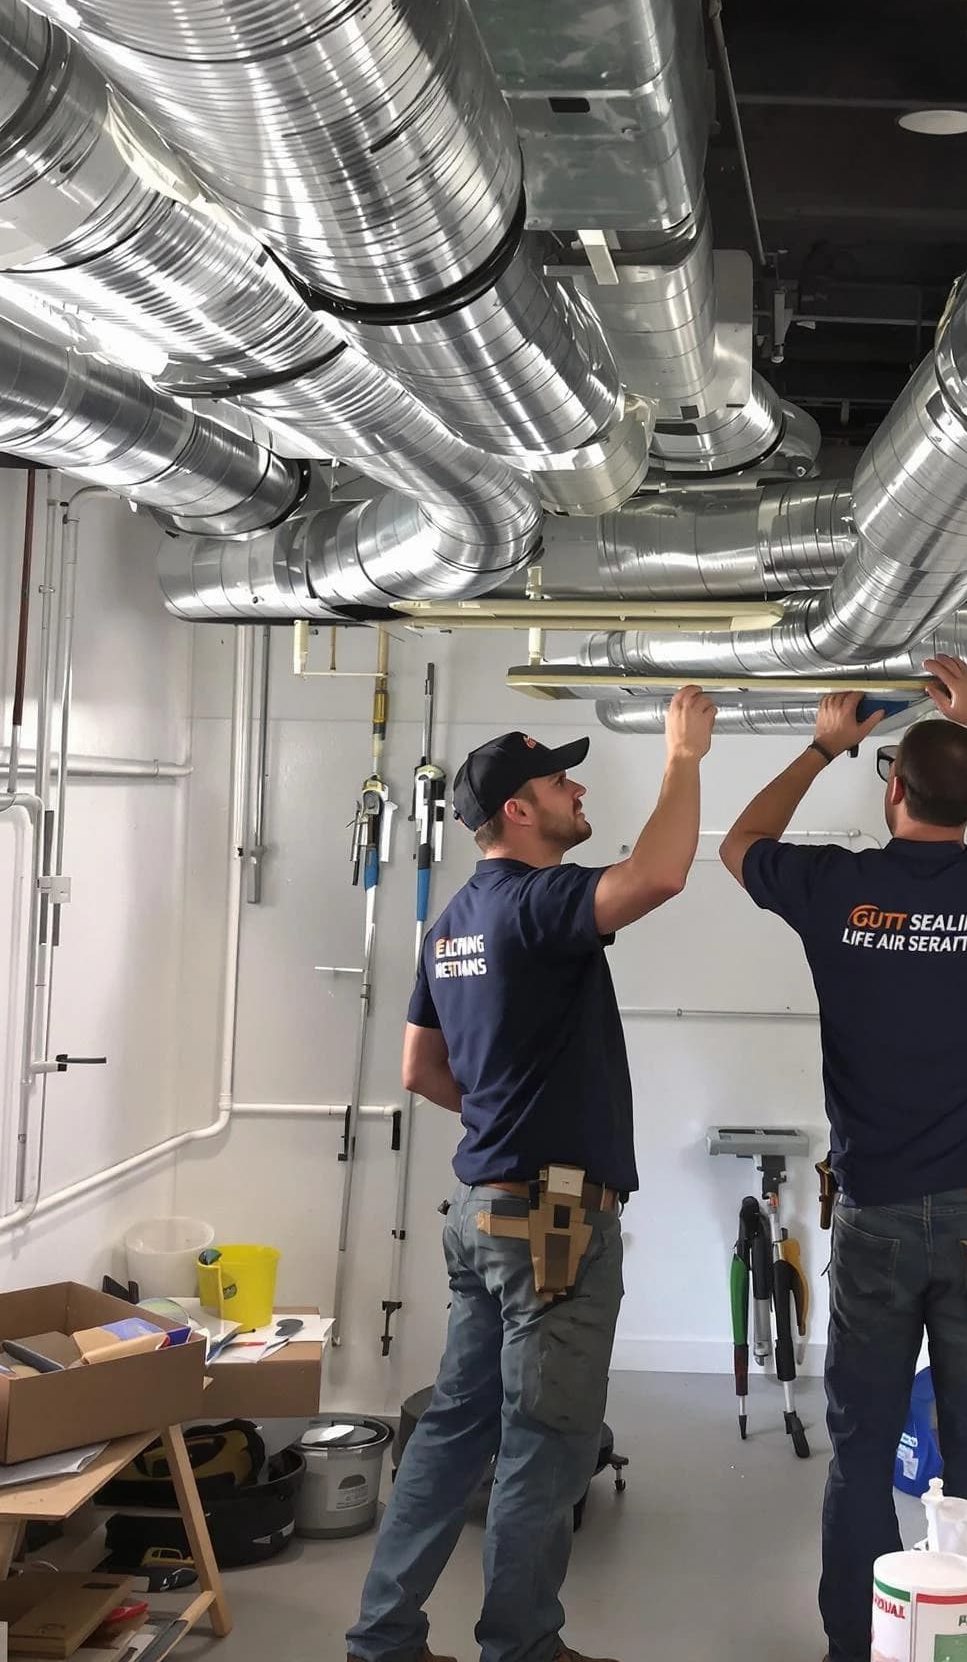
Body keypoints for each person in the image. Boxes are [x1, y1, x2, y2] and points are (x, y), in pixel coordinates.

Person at [719, 657, 967, 1661]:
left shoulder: (838, 886)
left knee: (859, 1445)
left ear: (892, 790)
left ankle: (860, 1645)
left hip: (878, 1214)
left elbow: (740, 842)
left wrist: (818, 745)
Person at [348, 686, 718, 1662]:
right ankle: (520, 1646)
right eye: (560, 780)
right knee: (544, 1447)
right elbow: (659, 875)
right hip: (552, 1227)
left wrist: (506, 1115)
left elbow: (420, 1071)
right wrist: (684, 757)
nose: (575, 787)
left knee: (449, 1438)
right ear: (520, 807)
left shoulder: (454, 926)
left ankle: (383, 1637)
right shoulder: (537, 901)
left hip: (479, 1213)